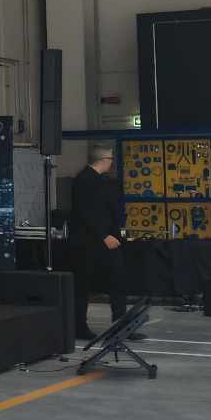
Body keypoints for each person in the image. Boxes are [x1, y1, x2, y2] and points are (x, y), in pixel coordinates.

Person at [67, 142, 126, 340]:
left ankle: (121, 324)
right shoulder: (84, 180)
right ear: (103, 160)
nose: (112, 163)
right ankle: (79, 327)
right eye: (110, 159)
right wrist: (104, 235)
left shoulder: (101, 180)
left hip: (103, 239)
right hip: (88, 242)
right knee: (82, 285)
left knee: (117, 279)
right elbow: (86, 212)